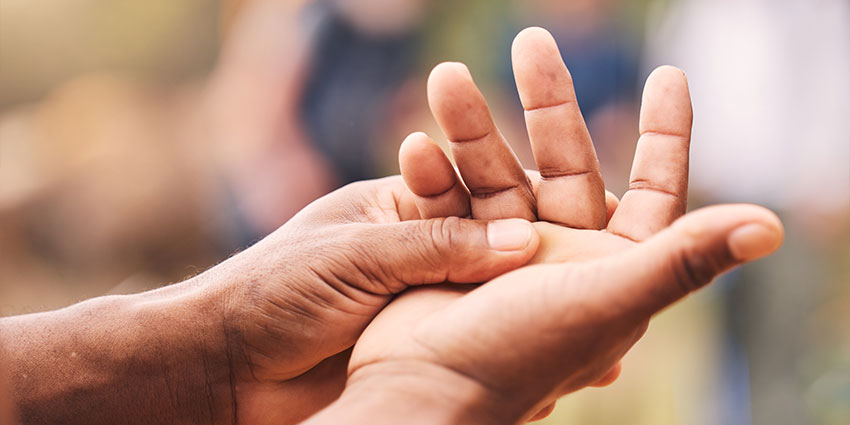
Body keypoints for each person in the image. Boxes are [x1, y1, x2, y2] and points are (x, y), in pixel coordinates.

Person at [0, 27, 783, 425]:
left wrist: (225, 344)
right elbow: (264, 88)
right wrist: (422, 393)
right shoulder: (318, 21)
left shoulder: (402, 31)